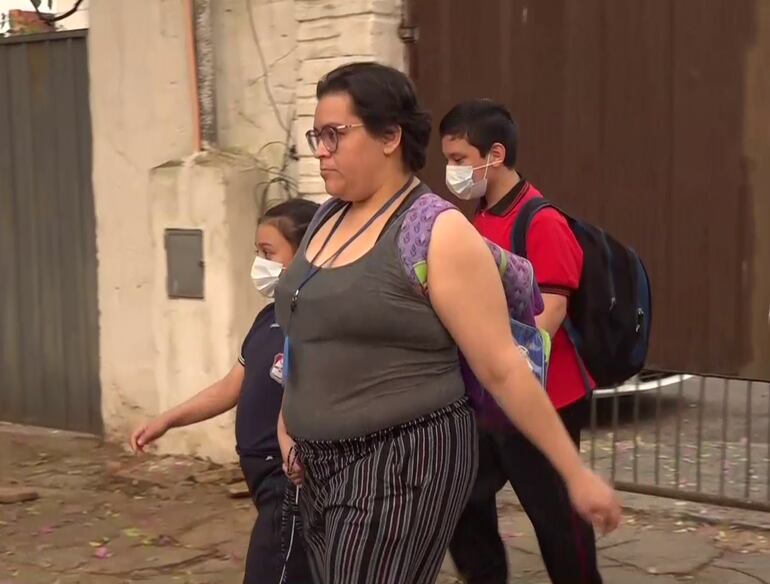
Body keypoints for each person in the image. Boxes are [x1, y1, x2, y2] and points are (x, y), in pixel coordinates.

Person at [274, 62, 620, 584]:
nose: (320, 149)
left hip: (398, 468)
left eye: (335, 134)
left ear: (390, 136)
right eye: (316, 135)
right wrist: (289, 423)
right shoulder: (328, 216)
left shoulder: (435, 232)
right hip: (319, 469)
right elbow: (307, 331)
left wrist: (575, 474)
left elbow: (504, 364)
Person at [440, 98, 603, 584]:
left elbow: (550, 312)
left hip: (543, 398)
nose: (451, 172)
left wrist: (500, 364)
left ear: (495, 153)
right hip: (491, 394)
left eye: (458, 160)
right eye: (447, 160)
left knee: (558, 521)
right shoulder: (480, 215)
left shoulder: (541, 220)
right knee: (462, 497)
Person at [129, 198, 319, 584]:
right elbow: (233, 386)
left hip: (290, 480)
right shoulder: (270, 316)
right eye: (257, 252)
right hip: (263, 482)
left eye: (268, 253)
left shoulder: (315, 322)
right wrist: (167, 420)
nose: (259, 264)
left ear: (304, 255)